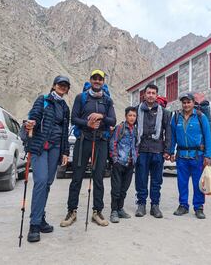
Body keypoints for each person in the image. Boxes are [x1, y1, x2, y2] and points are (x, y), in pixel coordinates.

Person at [60, 69, 116, 227]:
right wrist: (88, 123)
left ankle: (97, 212)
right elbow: (74, 118)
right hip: (83, 140)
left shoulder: (108, 100)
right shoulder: (81, 98)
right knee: (77, 177)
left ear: (103, 82)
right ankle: (72, 211)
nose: (97, 81)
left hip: (101, 142)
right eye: (95, 78)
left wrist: (101, 117)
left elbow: (112, 120)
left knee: (98, 177)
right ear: (90, 80)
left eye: (100, 79)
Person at [25, 75, 71, 243]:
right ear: (54, 85)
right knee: (41, 181)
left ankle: (40, 216)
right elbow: (35, 116)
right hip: (39, 146)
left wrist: (65, 151)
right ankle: (34, 225)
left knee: (48, 183)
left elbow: (65, 131)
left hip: (56, 148)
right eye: (60, 84)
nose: (62, 87)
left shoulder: (65, 107)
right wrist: (31, 123)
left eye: (66, 85)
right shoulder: (43, 100)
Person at [170, 92, 211, 219]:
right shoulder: (176, 117)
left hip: (197, 156)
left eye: (188, 102)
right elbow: (172, 137)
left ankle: (198, 207)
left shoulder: (201, 117)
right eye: (184, 102)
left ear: (193, 103)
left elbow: (208, 137)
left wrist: (208, 155)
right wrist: (171, 151)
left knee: (198, 183)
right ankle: (183, 205)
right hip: (181, 156)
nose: (186, 104)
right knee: (181, 182)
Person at [135, 84, 171, 218]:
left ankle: (155, 205)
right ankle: (141, 204)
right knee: (141, 178)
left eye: (153, 93)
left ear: (157, 96)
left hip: (157, 150)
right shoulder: (136, 110)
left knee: (156, 180)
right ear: (144, 95)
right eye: (148, 93)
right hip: (142, 149)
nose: (150, 95)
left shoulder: (165, 113)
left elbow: (168, 131)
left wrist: (167, 150)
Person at [109, 106, 138, 223]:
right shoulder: (120, 127)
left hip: (130, 164)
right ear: (126, 116)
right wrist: (115, 159)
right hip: (119, 162)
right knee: (116, 188)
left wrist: (136, 156)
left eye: (134, 116)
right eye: (130, 115)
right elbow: (113, 143)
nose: (132, 118)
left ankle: (120, 208)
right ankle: (114, 211)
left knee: (124, 188)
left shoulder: (135, 129)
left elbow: (136, 145)